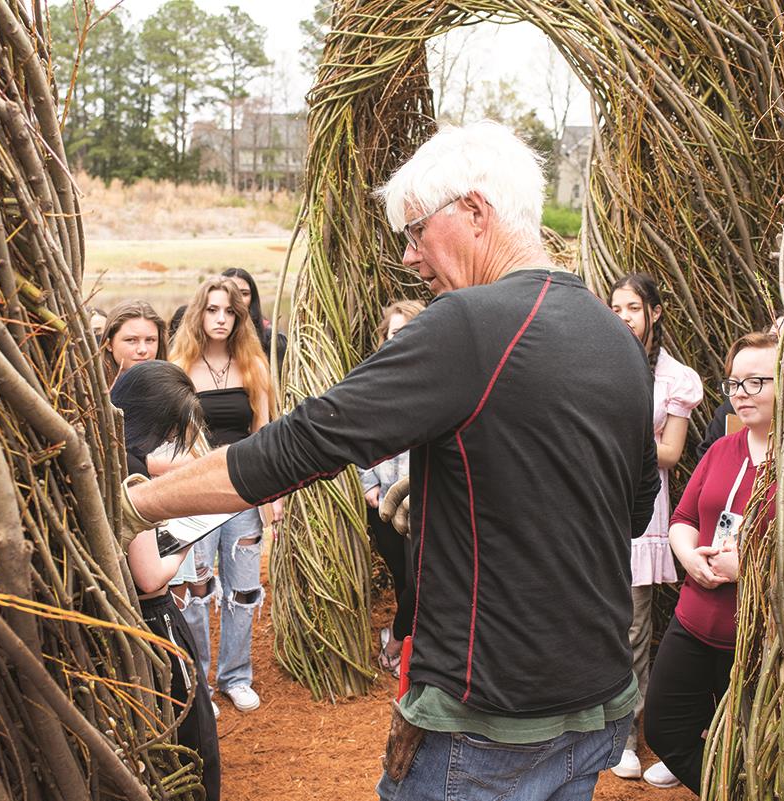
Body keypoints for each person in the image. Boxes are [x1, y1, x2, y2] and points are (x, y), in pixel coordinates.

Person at [119, 120, 660, 801]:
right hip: (594, 708)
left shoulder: (469, 322)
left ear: (473, 210)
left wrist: (132, 505)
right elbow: (631, 509)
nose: (408, 256)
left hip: (486, 721)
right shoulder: (613, 336)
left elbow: (300, 446)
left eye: (414, 231)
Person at [643, 332, 779, 792]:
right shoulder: (724, 448)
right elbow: (683, 518)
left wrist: (752, 570)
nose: (740, 393)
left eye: (755, 381)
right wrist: (691, 560)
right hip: (694, 619)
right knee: (666, 729)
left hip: (760, 637)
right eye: (734, 383)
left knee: (752, 740)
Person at [110, 361, 221, 801]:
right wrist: (193, 533)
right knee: (189, 734)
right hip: (151, 623)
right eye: (173, 429)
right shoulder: (129, 472)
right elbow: (151, 575)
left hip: (117, 620)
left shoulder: (112, 449)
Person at [607, 274, 702, 781]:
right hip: (595, 508)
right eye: (616, 307)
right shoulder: (596, 361)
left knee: (636, 627)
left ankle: (627, 735)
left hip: (642, 511)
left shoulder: (674, 378)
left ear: (655, 312)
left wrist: (624, 437)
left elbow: (671, 453)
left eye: (634, 307)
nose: (624, 317)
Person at [169, 276, 277, 714]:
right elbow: (170, 436)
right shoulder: (179, 365)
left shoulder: (252, 365)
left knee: (244, 589)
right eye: (212, 310)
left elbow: (264, 432)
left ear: (240, 317)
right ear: (199, 313)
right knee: (195, 588)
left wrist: (273, 495)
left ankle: (236, 677)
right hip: (195, 491)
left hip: (242, 489)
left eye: (229, 311)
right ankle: (200, 684)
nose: (220, 318)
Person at [359, 300, 426, 677]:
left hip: (425, 502)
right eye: (394, 332)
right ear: (384, 338)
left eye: (409, 330)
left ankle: (399, 640)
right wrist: (368, 483)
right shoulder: (375, 382)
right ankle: (406, 641)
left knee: (419, 580)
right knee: (403, 578)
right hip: (384, 500)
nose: (400, 339)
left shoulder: (437, 380)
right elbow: (360, 437)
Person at [221, 267, 288, 369]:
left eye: (244, 293)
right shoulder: (210, 335)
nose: (238, 298)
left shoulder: (272, 338)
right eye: (231, 292)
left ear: (252, 298)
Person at [99, 300, 168, 390]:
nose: (143, 350)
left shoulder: (173, 391)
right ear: (108, 344)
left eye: (150, 340)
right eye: (131, 340)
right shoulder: (89, 393)